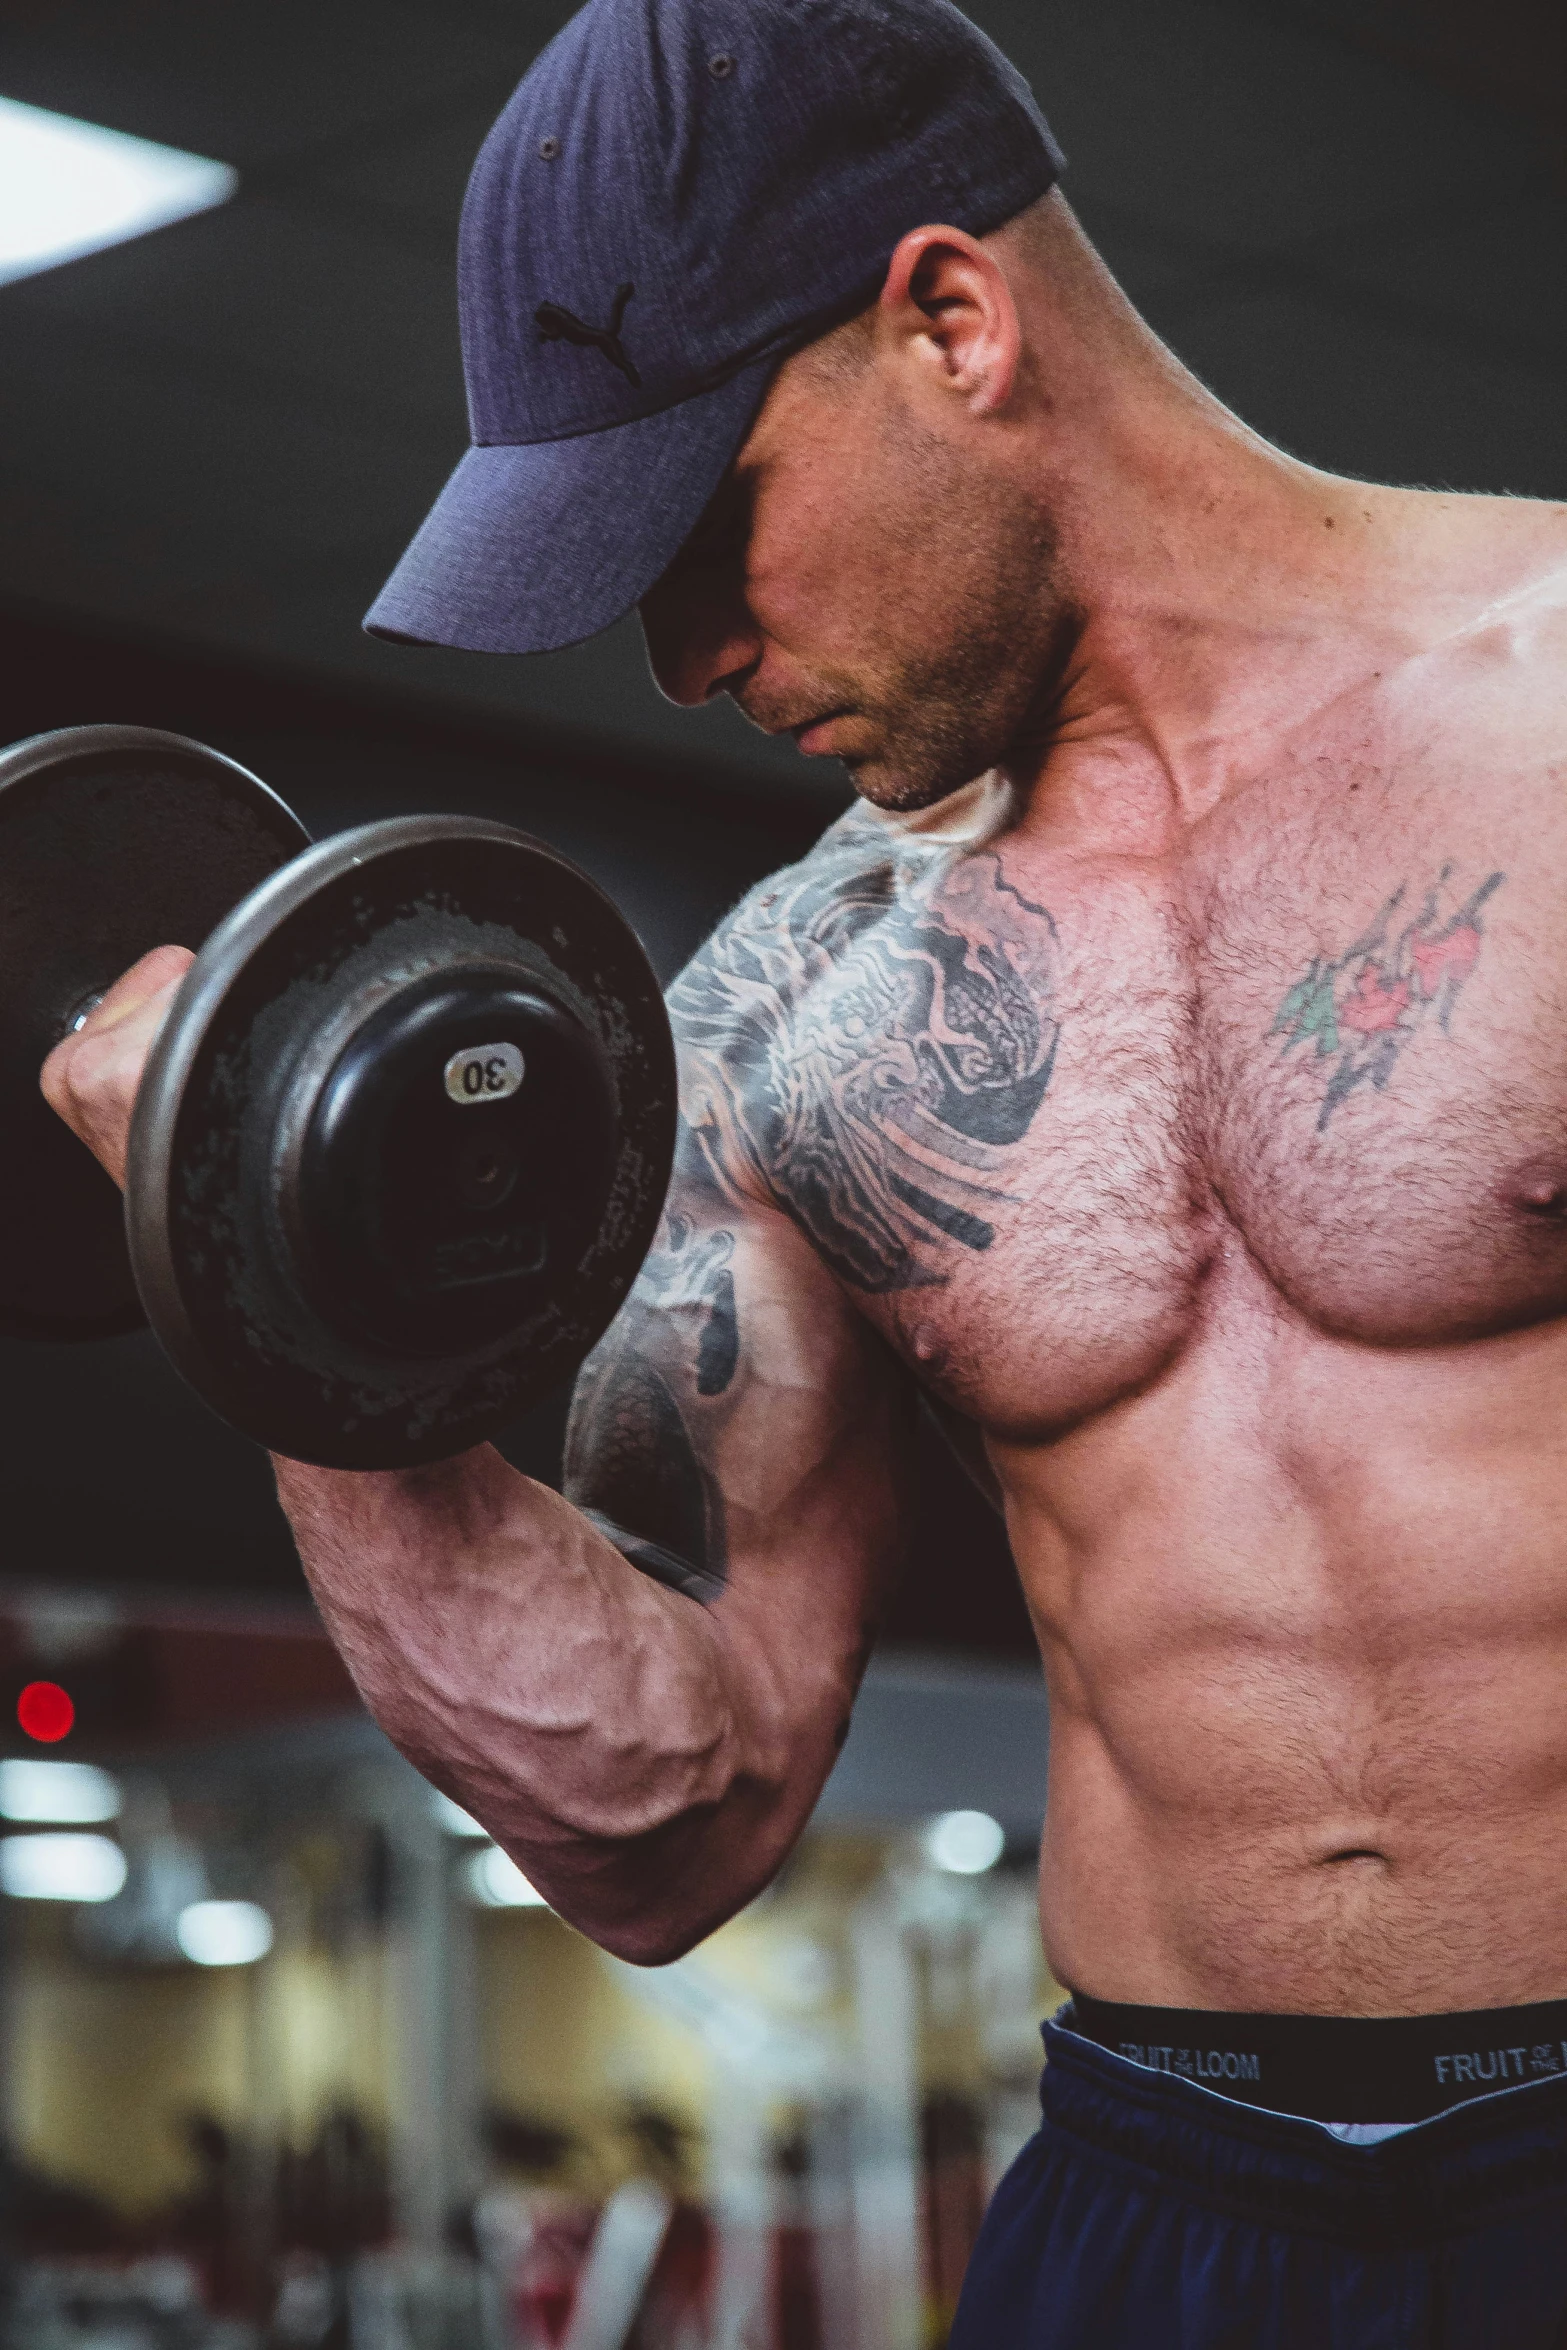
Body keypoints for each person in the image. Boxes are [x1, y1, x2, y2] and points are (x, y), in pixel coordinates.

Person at [42, 0, 1567, 2338]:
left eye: (699, 527)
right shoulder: (791, 1016)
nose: (679, 659)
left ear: (949, 320)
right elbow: (674, 1812)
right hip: (1161, 2186)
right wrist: (259, 1280)